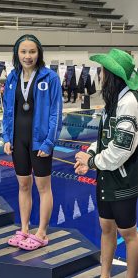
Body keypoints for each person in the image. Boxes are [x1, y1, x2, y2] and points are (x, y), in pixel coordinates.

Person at [74, 49, 138, 278]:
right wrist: (89, 153)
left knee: (128, 233)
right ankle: (105, 274)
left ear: (112, 75)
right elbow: (104, 138)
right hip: (106, 177)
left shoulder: (129, 103)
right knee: (107, 228)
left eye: (102, 71)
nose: (100, 75)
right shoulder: (113, 101)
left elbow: (121, 150)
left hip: (122, 180)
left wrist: (92, 162)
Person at [2, 34, 62, 250]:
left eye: (32, 51)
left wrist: (49, 143)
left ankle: (42, 232)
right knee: (23, 184)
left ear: (39, 53)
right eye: (23, 51)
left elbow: (56, 113)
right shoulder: (12, 77)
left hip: (40, 142)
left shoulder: (50, 78)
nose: (28, 56)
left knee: (43, 187)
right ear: (17, 53)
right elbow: (8, 111)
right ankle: (25, 228)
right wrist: (6, 137)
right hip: (19, 140)